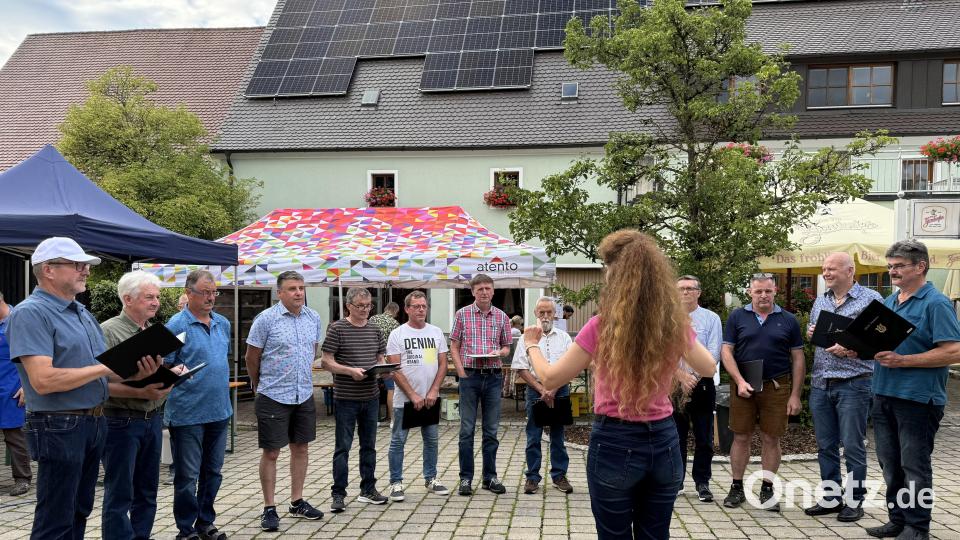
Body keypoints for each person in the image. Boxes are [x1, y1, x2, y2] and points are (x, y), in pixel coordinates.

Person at [521, 230, 715, 539]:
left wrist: (531, 344)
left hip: (615, 441)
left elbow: (551, 378)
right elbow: (707, 366)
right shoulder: (671, 323)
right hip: (665, 440)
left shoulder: (602, 325)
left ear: (615, 273)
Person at [7, 237, 160, 539]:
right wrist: (108, 368)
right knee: (56, 518)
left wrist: (144, 375)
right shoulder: (31, 312)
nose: (86, 270)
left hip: (93, 422)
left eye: (86, 265)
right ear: (48, 270)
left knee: (79, 510)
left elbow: (96, 375)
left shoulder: (81, 312)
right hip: (59, 424)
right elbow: (43, 380)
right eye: (77, 265)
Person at [865, 240, 960, 540]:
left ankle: (917, 528)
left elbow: (954, 351)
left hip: (918, 399)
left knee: (914, 466)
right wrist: (853, 348)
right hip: (883, 393)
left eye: (899, 266)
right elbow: (877, 344)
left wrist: (904, 360)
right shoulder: (891, 302)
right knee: (890, 464)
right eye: (890, 266)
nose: (892, 271)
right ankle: (897, 519)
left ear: (920, 267)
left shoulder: (936, 303)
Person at [803, 253, 882, 523]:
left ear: (850, 271)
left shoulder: (871, 299)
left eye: (831, 269)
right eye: (824, 269)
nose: (826, 273)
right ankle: (831, 498)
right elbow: (815, 334)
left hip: (854, 383)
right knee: (825, 446)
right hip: (821, 382)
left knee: (852, 446)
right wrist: (812, 334)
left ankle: (854, 501)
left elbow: (881, 341)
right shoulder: (821, 300)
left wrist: (852, 347)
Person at [245, 271, 325, 531]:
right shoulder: (265, 319)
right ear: (279, 293)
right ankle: (269, 507)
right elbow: (251, 356)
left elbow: (312, 351)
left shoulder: (313, 317)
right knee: (271, 452)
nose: (298, 292)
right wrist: (258, 383)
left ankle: (297, 501)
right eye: (292, 288)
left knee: (301, 448)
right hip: (273, 394)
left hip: (303, 393)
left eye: (301, 288)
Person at [101, 271, 177, 540]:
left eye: (157, 296)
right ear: (128, 299)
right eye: (149, 297)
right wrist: (141, 388)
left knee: (147, 490)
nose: (155, 302)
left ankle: (141, 536)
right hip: (121, 420)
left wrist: (170, 373)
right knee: (120, 492)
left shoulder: (152, 332)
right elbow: (98, 383)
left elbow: (148, 372)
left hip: (152, 418)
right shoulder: (109, 330)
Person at [721, 274, 805, 512]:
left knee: (771, 438)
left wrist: (795, 395)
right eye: (758, 291)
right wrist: (738, 381)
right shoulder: (737, 316)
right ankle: (736, 487)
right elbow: (726, 351)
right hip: (744, 385)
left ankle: (767, 489)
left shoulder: (788, 320)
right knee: (741, 436)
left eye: (767, 291)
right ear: (749, 292)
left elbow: (798, 358)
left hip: (776, 386)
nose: (763, 296)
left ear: (775, 291)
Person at [165, 269, 233, 540]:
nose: (210, 297)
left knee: (213, 472)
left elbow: (220, 361)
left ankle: (206, 523)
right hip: (188, 413)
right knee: (187, 477)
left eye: (214, 292)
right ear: (188, 293)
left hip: (219, 410)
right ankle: (185, 529)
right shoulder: (175, 325)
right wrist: (177, 370)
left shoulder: (222, 323)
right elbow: (166, 365)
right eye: (204, 292)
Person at [320, 286, 388, 513]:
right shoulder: (337, 329)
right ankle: (338, 493)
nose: (365, 310)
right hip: (346, 398)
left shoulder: (375, 330)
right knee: (343, 448)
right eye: (360, 306)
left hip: (371, 396)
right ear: (348, 305)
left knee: (369, 447)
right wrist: (349, 371)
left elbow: (380, 358)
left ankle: (368, 489)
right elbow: (326, 362)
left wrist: (385, 369)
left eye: (369, 306)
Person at [449, 273, 512, 496]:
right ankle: (465, 478)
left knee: (491, 431)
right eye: (480, 289)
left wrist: (500, 352)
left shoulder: (502, 317)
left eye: (487, 288)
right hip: (470, 377)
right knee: (466, 430)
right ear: (473, 292)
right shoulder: (462, 314)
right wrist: (460, 372)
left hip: (493, 376)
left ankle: (490, 477)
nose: (484, 292)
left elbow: (506, 347)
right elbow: (454, 346)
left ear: (493, 291)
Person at [385, 291, 450, 502]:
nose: (421, 309)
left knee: (431, 440)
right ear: (407, 309)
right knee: (398, 442)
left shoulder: (436, 332)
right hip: (405, 400)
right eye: (416, 306)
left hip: (430, 398)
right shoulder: (397, 334)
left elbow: (442, 364)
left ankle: (431, 478)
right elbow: (394, 369)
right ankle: (396, 482)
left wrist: (433, 391)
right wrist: (412, 394)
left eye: (423, 306)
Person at [512, 296, 574, 495]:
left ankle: (559, 475)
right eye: (542, 313)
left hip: (560, 390)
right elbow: (521, 368)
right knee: (533, 436)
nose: (545, 316)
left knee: (558, 435)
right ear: (535, 314)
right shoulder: (526, 337)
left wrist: (553, 388)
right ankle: (532, 477)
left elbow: (569, 368)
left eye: (549, 312)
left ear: (555, 314)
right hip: (535, 390)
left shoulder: (564, 337)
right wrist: (542, 390)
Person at [674, 275, 722, 503]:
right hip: (674, 382)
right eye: (681, 289)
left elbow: (713, 353)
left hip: (702, 383)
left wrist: (693, 376)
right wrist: (681, 375)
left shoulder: (711, 319)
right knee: (676, 436)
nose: (685, 293)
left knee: (704, 437)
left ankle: (702, 481)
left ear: (698, 292)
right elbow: (662, 353)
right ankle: (676, 481)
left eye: (690, 289)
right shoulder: (667, 319)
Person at [0, 291, 30, 497]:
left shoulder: (18, 320)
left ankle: (22, 479)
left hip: (12, 385)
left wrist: (26, 385)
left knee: (14, 435)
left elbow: (34, 354)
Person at [369, 302, 400, 423]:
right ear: (396, 312)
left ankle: (374, 420)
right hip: (387, 360)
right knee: (391, 389)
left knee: (374, 388)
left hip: (372, 359)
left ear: (385, 309)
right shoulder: (395, 324)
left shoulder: (373, 318)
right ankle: (392, 420)